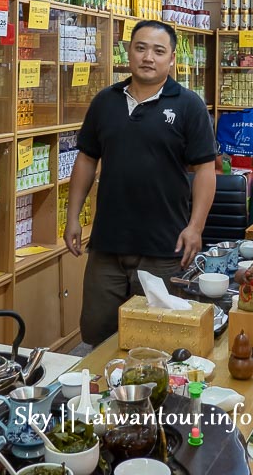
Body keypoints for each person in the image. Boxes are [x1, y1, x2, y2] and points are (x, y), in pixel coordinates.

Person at [63, 20, 217, 345]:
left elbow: (205, 170)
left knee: (159, 337)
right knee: (97, 334)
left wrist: (196, 227)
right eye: (141, 47)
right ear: (129, 52)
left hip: (164, 246)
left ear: (172, 59)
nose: (149, 57)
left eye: (159, 51)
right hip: (107, 244)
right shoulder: (105, 102)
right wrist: (72, 216)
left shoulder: (189, 105)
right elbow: (87, 159)